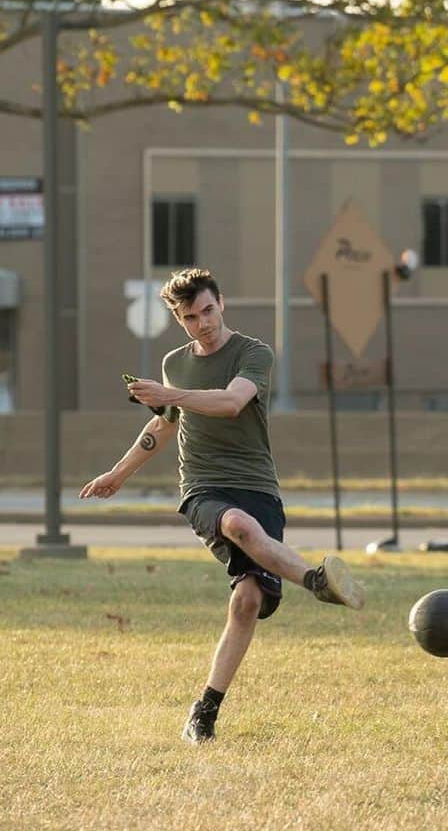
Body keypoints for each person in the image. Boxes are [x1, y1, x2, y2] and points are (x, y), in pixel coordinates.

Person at [79, 267, 363, 745]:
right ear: (179, 320)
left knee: (248, 601)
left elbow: (232, 402)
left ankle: (204, 712)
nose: (203, 323)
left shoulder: (254, 353)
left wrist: (170, 395)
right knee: (235, 524)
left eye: (208, 311)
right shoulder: (176, 363)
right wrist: (117, 474)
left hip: (259, 488)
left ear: (222, 303)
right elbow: (164, 428)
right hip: (204, 489)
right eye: (191, 317)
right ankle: (316, 580)